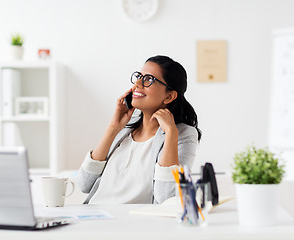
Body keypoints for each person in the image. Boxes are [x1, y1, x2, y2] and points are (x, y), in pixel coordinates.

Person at [76, 55, 201, 204]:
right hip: (95, 216)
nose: (137, 84)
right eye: (139, 76)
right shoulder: (125, 129)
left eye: (149, 79)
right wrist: (113, 128)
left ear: (169, 96)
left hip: (134, 223)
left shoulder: (182, 134)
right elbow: (84, 184)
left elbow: (167, 198)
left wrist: (170, 133)